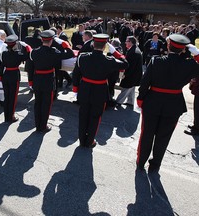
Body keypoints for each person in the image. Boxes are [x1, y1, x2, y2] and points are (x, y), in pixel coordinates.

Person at [136, 34, 199, 172]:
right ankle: (155, 166)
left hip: (153, 101)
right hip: (174, 104)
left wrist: (140, 99)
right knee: (163, 137)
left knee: (147, 134)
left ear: (168, 46)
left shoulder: (156, 60)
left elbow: (145, 82)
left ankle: (141, 162)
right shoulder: (190, 64)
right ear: (183, 49)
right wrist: (197, 54)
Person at [72, 34, 129, 148]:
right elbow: (125, 64)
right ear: (104, 47)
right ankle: (89, 141)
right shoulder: (109, 60)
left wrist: (75, 89)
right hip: (100, 91)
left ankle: (82, 140)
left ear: (93, 45)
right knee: (95, 117)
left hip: (85, 89)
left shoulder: (82, 57)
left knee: (83, 116)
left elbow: (76, 74)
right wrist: (115, 52)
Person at [29, 30, 74, 133]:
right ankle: (43, 126)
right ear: (51, 41)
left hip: (37, 80)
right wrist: (64, 44)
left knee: (38, 103)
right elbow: (70, 54)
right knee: (46, 104)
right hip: (48, 80)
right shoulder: (53, 51)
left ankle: (37, 125)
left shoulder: (34, 52)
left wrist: (31, 81)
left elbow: (31, 68)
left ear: (42, 40)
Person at [0, 35, 32, 123]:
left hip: (5, 75)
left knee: (7, 97)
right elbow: (29, 55)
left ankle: (6, 117)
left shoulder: (3, 54)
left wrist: (0, 76)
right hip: (14, 76)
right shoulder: (18, 54)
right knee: (13, 98)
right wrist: (26, 46)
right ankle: (11, 116)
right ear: (14, 45)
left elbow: (1, 66)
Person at [116, 36, 143, 107]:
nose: (125, 43)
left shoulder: (134, 52)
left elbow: (131, 66)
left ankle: (118, 102)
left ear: (131, 42)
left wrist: (125, 74)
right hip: (135, 75)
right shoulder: (134, 49)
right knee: (131, 88)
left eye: (127, 41)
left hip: (132, 75)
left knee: (126, 88)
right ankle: (130, 102)